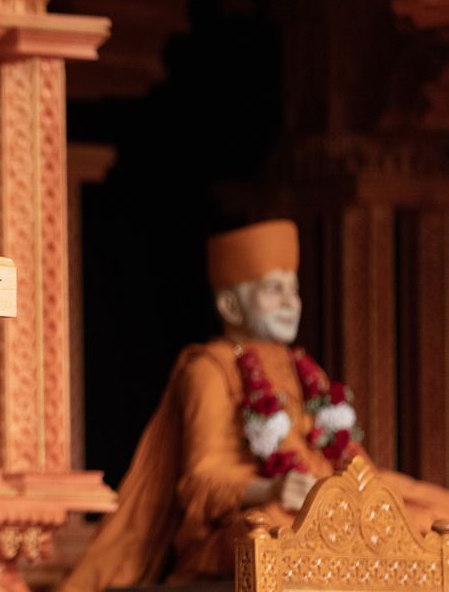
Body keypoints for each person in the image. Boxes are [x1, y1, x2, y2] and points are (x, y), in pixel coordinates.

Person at [62, 219, 449, 591]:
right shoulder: (208, 369)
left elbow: (349, 461)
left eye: (293, 289)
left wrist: (365, 495)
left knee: (436, 508)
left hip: (329, 507)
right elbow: (201, 483)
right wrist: (270, 488)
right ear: (230, 306)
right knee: (283, 527)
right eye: (273, 290)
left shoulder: (304, 369)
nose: (290, 302)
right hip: (241, 526)